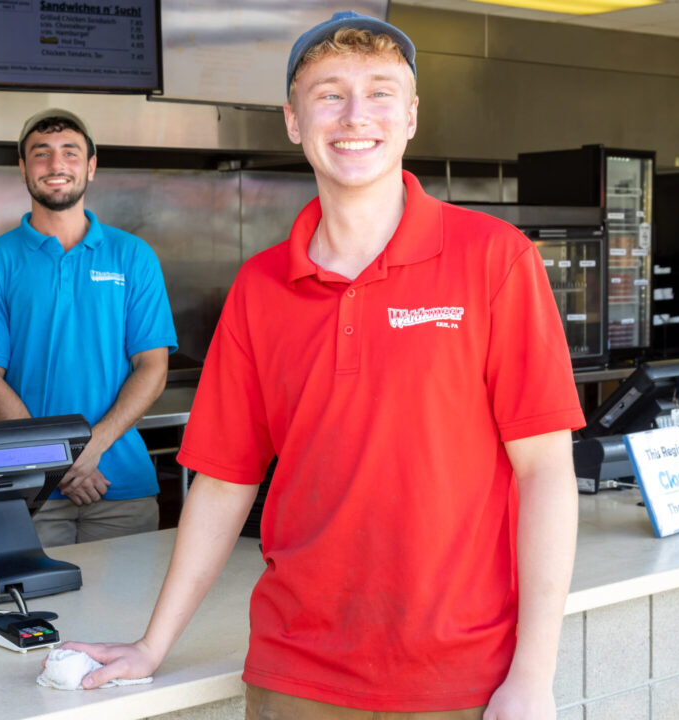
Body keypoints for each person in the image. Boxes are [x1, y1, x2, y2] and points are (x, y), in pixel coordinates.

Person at [65, 12, 584, 720]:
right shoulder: (259, 287)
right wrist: (153, 645)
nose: (354, 115)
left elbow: (546, 471)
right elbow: (222, 483)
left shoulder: (494, 260)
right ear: (292, 119)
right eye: (329, 94)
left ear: (410, 117)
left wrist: (534, 676)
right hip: (294, 675)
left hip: (459, 677)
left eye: (379, 92)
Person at [0, 109, 178, 548]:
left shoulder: (133, 256)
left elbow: (152, 367)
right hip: (27, 493)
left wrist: (89, 449)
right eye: (41, 154)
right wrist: (56, 462)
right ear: (22, 169)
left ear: (91, 166)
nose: (56, 166)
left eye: (70, 153)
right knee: (32, 615)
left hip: (123, 488)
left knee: (128, 617)